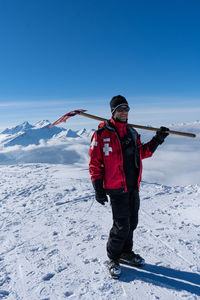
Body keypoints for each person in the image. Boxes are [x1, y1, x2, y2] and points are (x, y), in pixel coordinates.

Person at [89, 95, 169, 278]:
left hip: (133, 185)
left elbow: (141, 153)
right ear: (113, 112)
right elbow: (95, 162)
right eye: (120, 109)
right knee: (121, 225)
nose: (124, 112)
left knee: (132, 223)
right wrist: (97, 187)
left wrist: (157, 140)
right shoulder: (102, 134)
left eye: (126, 109)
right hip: (116, 187)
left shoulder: (132, 132)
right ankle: (113, 258)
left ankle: (126, 252)